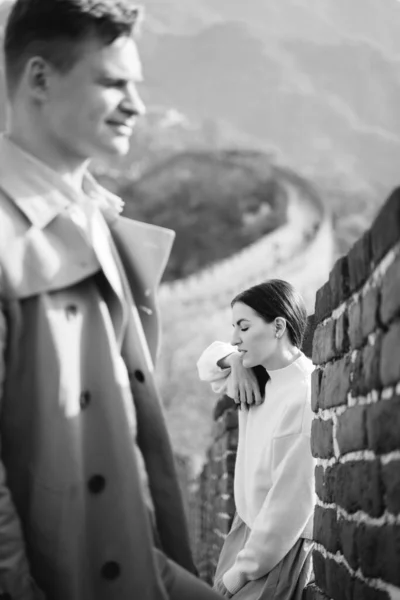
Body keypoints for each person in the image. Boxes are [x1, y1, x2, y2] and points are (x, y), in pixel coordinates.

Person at [0, 2, 223, 599]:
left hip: (136, 560)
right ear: (40, 78)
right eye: (112, 82)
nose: (137, 105)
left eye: (136, 83)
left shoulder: (105, 222)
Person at [197, 280, 316, 599]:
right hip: (242, 532)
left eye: (244, 327)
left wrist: (239, 575)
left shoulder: (304, 396)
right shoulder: (254, 378)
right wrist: (234, 361)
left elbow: (292, 503)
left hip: (272, 554)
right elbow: (207, 363)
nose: (235, 339)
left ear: (279, 326)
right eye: (234, 327)